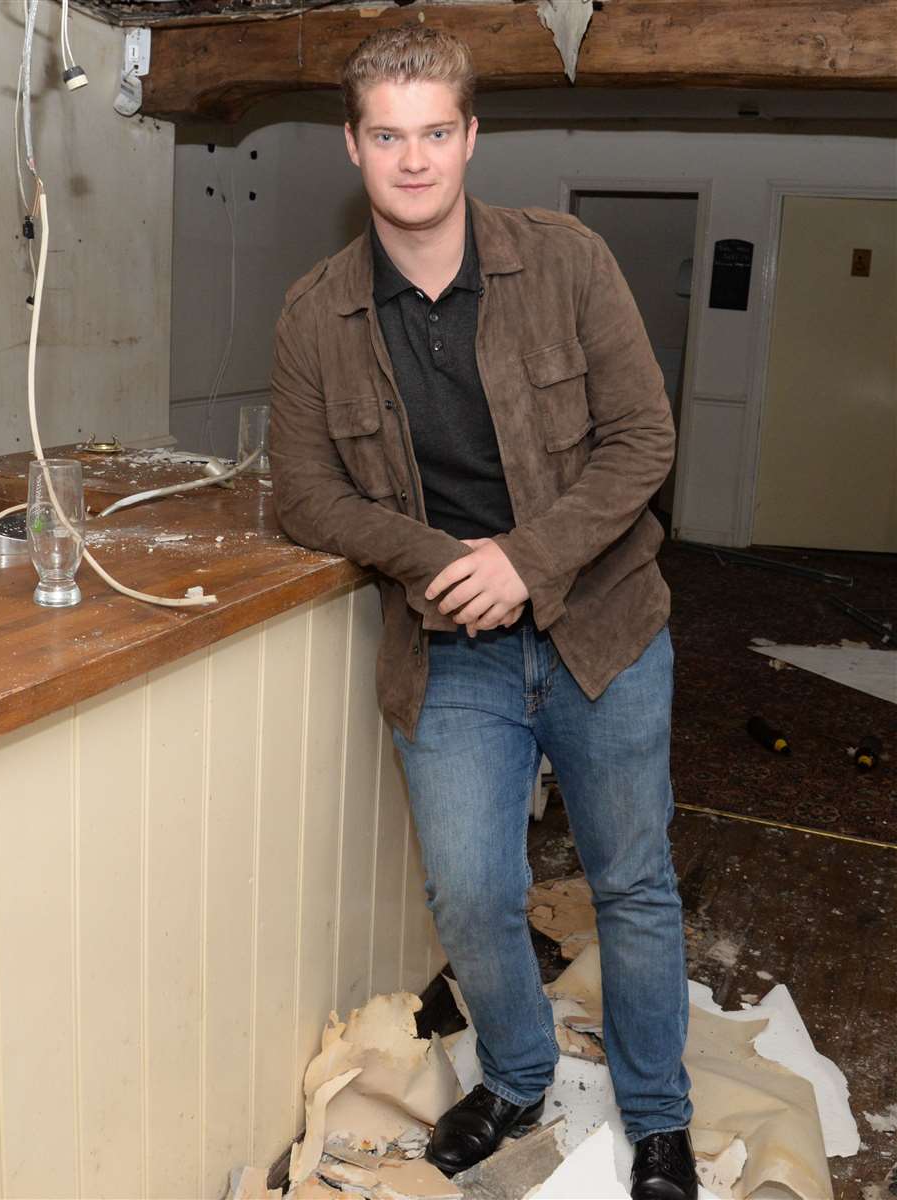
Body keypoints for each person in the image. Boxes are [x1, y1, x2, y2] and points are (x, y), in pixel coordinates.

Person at [268, 27, 698, 1200]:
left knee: (631, 880)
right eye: (389, 135)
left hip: (603, 627)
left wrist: (525, 557)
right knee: (469, 890)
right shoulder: (316, 315)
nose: (415, 160)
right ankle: (515, 1076)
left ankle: (659, 1118)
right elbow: (305, 492)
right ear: (353, 145)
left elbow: (643, 442)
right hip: (449, 645)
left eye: (437, 132)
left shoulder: (567, 261)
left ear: (471, 137)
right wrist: (441, 560)